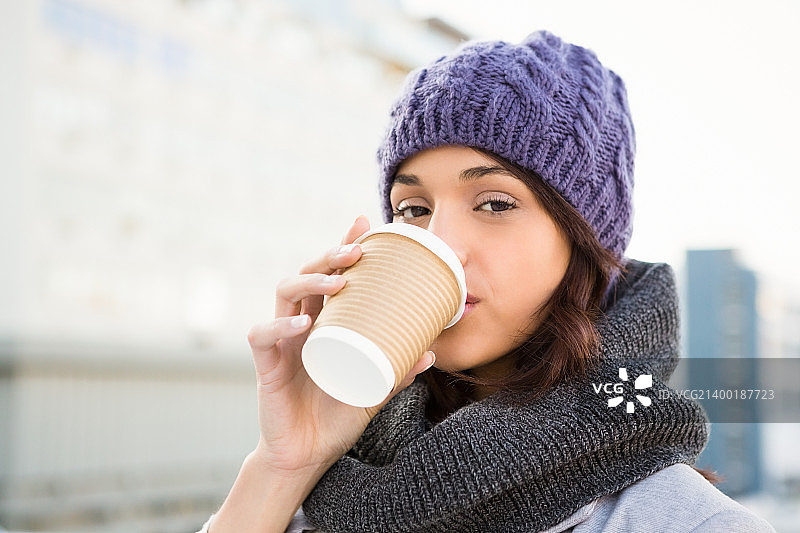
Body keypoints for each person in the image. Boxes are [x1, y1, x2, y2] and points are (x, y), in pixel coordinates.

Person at [197, 31, 775, 532]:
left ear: (584, 245)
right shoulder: (328, 489)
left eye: (495, 203)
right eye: (412, 208)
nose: (439, 242)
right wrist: (284, 464)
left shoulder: (687, 522)